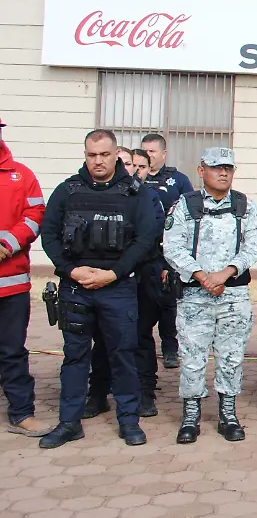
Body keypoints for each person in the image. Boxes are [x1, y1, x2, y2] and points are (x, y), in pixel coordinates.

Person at [38, 129, 161, 448]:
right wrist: (70, 269)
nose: (98, 161)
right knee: (75, 356)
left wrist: (115, 272)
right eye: (91, 155)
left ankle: (129, 420)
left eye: (104, 155)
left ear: (115, 155)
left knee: (123, 355)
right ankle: (69, 423)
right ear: (85, 155)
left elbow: (146, 239)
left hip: (117, 287)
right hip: (76, 287)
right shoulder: (67, 190)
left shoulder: (137, 194)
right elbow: (49, 234)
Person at [163, 148, 257, 443]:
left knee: (231, 356)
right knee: (193, 357)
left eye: (228, 168)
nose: (223, 173)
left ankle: (228, 414)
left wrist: (226, 273)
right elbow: (172, 245)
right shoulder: (184, 205)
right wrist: (201, 276)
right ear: (201, 170)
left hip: (232, 294)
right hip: (195, 295)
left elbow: (253, 245)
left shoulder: (245, 206)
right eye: (217, 167)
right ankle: (191, 416)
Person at [0, 116, 53, 437]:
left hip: (11, 285)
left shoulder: (22, 176)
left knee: (12, 351)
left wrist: (7, 244)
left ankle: (21, 413)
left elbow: (36, 214)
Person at [140, 133, 193, 370]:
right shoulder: (134, 179)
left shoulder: (177, 180)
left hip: (170, 250)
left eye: (152, 151)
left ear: (163, 154)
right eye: (144, 151)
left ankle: (170, 348)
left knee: (168, 302)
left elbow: (190, 213)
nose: (148, 156)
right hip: (143, 252)